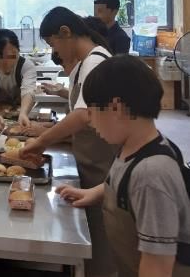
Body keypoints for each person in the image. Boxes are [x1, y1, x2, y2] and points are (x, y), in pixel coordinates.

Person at [57, 55, 190, 277]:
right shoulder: (134, 144)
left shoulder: (152, 175)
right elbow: (123, 182)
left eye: (92, 112)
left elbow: (157, 266)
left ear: (116, 108)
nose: (90, 122)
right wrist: (93, 193)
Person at [21, 6, 117, 277]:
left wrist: (41, 141)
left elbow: (83, 115)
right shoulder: (89, 61)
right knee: (92, 235)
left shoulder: (95, 61)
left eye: (53, 44)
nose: (56, 53)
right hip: (89, 160)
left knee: (101, 239)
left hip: (100, 163)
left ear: (65, 32)